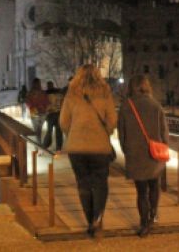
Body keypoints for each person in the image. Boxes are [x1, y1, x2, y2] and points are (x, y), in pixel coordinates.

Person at [60, 64, 117, 237]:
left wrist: (74, 133)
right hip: (100, 148)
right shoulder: (105, 92)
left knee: (83, 184)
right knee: (100, 183)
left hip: (77, 149)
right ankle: (97, 219)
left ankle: (89, 221)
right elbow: (112, 120)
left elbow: (63, 121)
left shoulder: (72, 92)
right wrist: (104, 131)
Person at [117, 75, 168, 237]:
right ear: (147, 86)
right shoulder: (156, 105)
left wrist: (127, 151)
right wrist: (163, 146)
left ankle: (144, 223)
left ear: (132, 87)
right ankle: (153, 214)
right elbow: (164, 132)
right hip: (155, 153)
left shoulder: (126, 106)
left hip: (135, 153)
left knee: (141, 191)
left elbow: (121, 134)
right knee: (154, 185)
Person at [43, 80, 63, 150]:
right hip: (56, 114)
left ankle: (46, 145)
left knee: (51, 131)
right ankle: (58, 147)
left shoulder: (46, 94)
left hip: (51, 114)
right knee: (57, 131)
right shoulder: (58, 92)